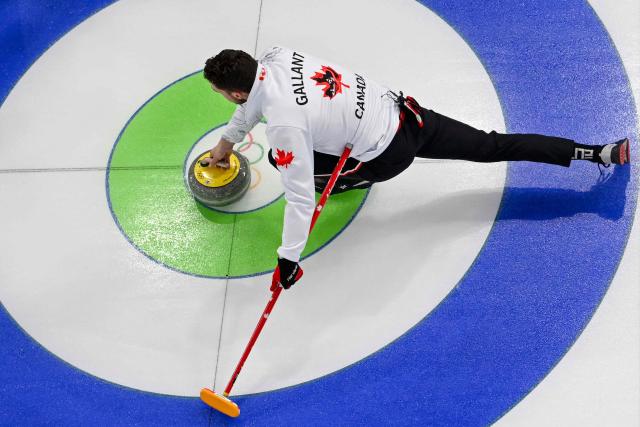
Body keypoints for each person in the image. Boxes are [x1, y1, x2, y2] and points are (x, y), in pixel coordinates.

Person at [201, 46, 631, 290]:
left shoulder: (284, 126)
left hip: (389, 153)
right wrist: (225, 145)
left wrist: (288, 258)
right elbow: (250, 108)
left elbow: (297, 196)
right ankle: (598, 152)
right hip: (412, 115)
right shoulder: (278, 55)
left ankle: (347, 182)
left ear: (236, 92)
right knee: (492, 145)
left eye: (224, 94)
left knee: (284, 161)